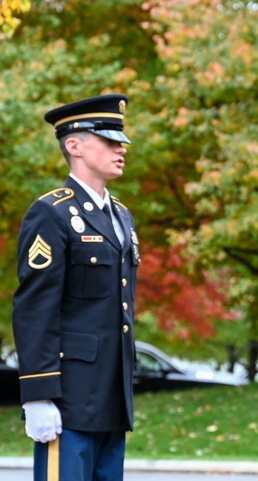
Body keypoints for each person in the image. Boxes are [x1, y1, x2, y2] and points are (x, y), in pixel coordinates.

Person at [12, 93, 140, 481]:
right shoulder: (51, 212)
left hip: (111, 397)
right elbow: (35, 307)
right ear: (74, 145)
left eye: (121, 140)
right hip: (68, 399)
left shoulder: (121, 215)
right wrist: (38, 393)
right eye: (108, 139)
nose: (121, 148)